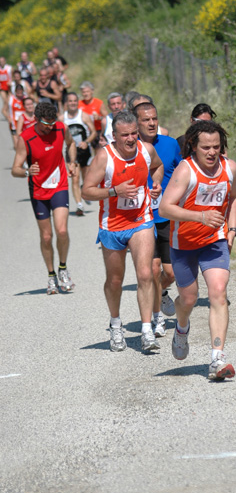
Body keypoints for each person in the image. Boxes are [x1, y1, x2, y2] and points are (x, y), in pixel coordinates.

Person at [159, 120, 236, 380]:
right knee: (189, 299)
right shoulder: (186, 170)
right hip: (183, 243)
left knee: (218, 293)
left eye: (216, 146)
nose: (212, 152)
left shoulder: (230, 168)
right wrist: (200, 217)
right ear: (193, 146)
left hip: (214, 241)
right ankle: (181, 327)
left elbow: (235, 196)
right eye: (206, 147)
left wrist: (233, 229)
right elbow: (164, 208)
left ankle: (217, 358)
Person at [81, 111, 164, 353]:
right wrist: (114, 191)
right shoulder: (104, 157)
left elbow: (157, 167)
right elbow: (86, 191)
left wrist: (155, 184)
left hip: (141, 220)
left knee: (146, 274)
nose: (130, 139)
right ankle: (116, 325)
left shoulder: (146, 150)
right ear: (114, 136)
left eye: (133, 134)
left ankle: (147, 331)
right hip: (113, 226)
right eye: (124, 135)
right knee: (115, 281)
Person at [11, 102, 77, 294]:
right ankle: (51, 275)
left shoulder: (60, 128)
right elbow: (15, 169)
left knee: (62, 230)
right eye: (45, 123)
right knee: (46, 236)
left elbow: (71, 143)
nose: (50, 126)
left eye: (52, 122)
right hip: (39, 190)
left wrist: (72, 162)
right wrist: (26, 171)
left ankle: (63, 269)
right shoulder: (26, 138)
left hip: (59, 186)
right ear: (35, 120)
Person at [134, 101, 182, 334]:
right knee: (152, 270)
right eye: (146, 120)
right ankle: (156, 317)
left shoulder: (171, 144)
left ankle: (159, 293)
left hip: (168, 218)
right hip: (143, 219)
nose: (152, 123)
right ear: (137, 123)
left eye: (154, 118)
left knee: (170, 273)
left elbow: (184, 176)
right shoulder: (130, 147)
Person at [62, 92, 97, 216]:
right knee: (75, 178)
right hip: (71, 152)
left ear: (77, 102)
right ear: (66, 103)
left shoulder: (84, 116)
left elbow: (93, 132)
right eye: (70, 101)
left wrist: (86, 142)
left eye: (74, 101)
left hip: (84, 151)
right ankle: (79, 205)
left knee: (86, 178)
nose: (72, 103)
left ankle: (85, 190)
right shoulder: (62, 118)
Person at [78, 81, 108, 153]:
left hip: (97, 131)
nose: (86, 94)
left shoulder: (98, 103)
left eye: (87, 91)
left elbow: (107, 118)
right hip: (84, 132)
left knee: (98, 152)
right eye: (84, 92)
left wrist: (99, 118)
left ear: (92, 91)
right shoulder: (79, 104)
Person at [7, 84, 26, 149]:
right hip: (14, 121)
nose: (19, 94)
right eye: (18, 92)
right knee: (16, 145)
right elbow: (9, 110)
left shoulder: (25, 98)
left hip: (23, 122)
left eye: (21, 92)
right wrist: (10, 120)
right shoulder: (11, 99)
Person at [0, 56, 12, 120]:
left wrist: (11, 82)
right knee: (5, 100)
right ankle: (5, 112)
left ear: (5, 61)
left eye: (2, 61)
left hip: (9, 87)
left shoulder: (9, 68)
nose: (1, 62)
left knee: (9, 101)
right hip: (2, 88)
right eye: (0, 61)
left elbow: (12, 76)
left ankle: (7, 112)